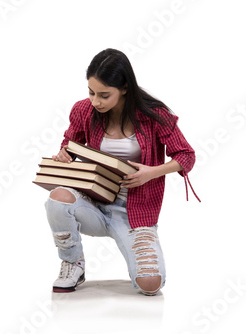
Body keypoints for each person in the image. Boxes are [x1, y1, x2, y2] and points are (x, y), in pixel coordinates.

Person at [45, 48, 200, 296]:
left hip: (134, 212)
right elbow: (70, 144)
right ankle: (73, 263)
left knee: (151, 285)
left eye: (104, 95)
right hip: (94, 202)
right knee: (57, 198)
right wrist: (64, 155)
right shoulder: (84, 110)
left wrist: (153, 171)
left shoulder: (155, 116)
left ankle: (141, 244)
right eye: (91, 92)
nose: (96, 101)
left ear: (125, 88)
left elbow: (186, 156)